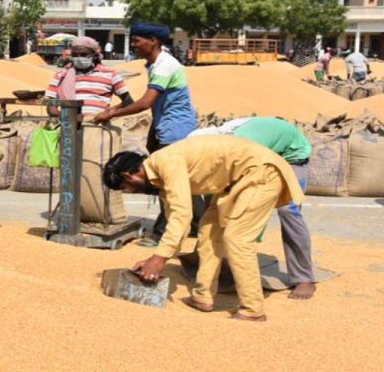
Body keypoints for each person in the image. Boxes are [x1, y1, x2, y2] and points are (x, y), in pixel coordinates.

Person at [102, 136, 305, 321]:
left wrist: (160, 258)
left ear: (128, 175)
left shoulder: (166, 162)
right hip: (235, 183)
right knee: (208, 232)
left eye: (126, 188)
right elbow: (175, 219)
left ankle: (253, 310)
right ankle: (203, 297)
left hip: (261, 174)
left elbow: (182, 215)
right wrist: (156, 257)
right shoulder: (159, 179)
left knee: (237, 238)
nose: (131, 192)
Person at [94, 22, 198, 245]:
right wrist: (152, 135)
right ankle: (194, 225)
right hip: (165, 126)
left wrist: (112, 112)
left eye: (138, 40)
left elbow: (145, 102)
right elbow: (157, 105)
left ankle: (162, 233)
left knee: (165, 181)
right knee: (187, 182)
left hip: (176, 129)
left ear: (154, 41)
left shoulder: (165, 66)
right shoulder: (153, 65)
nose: (134, 45)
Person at [191, 116, 317, 299]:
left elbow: (254, 202)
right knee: (218, 201)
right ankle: (220, 267)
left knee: (287, 209)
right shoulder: (223, 150)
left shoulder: (241, 145)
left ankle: (304, 278)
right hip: (263, 157)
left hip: (291, 158)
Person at [45, 36, 132, 116]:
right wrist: (65, 117)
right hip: (68, 126)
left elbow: (128, 101)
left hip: (98, 126)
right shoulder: (61, 76)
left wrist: (109, 112)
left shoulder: (110, 74)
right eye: (75, 55)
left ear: (94, 55)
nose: (79, 57)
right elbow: (51, 105)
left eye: (83, 54)